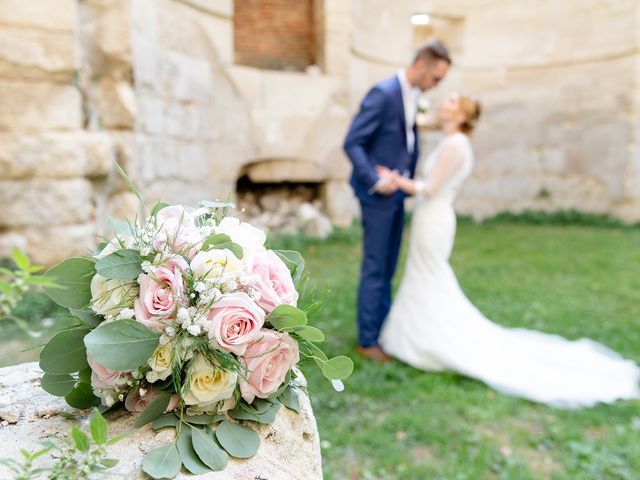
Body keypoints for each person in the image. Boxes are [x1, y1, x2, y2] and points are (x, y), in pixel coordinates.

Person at [378, 92, 640, 407]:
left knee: (429, 273)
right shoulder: (452, 138)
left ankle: (427, 342)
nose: (443, 103)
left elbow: (430, 188)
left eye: (451, 101)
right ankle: (414, 338)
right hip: (430, 216)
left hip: (434, 216)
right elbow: (424, 124)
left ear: (462, 115)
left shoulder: (456, 144)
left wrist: (394, 179)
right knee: (424, 272)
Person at [343, 40, 451, 363]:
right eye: (436, 78)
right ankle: (367, 339)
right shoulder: (384, 93)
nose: (436, 85)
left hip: (397, 195)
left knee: (389, 265)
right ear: (421, 65)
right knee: (376, 267)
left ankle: (382, 330)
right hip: (377, 196)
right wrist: (375, 181)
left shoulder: (412, 97)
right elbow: (353, 142)